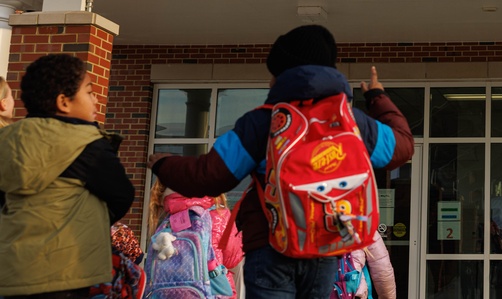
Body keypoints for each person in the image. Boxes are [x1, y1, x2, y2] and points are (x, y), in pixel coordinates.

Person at [148, 24, 414, 299]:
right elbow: (403, 147)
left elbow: (209, 176)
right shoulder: (352, 123)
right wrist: (377, 97)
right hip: (324, 248)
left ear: (281, 75)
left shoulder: (262, 122)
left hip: (270, 245)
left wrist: (163, 164)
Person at [0, 54, 135, 299]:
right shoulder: (86, 143)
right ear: (64, 102)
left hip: (10, 269)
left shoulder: (7, 139)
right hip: (65, 271)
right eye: (90, 92)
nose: (96, 100)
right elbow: (122, 194)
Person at [146, 178, 243, 296]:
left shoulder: (166, 219)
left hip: (165, 293)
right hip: (212, 291)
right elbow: (232, 259)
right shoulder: (219, 214)